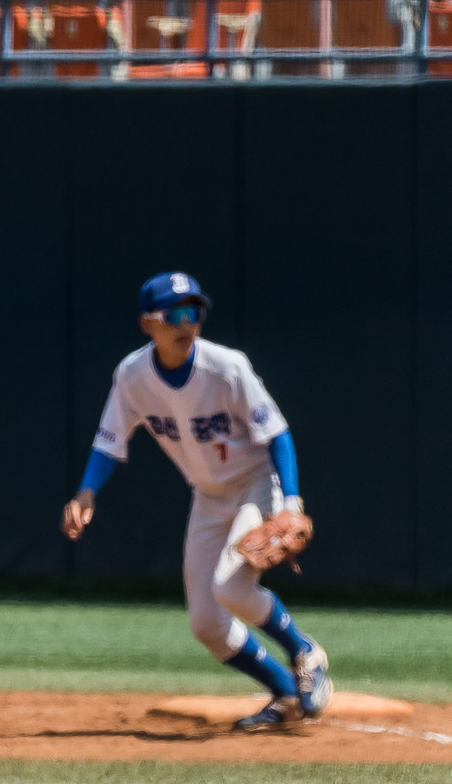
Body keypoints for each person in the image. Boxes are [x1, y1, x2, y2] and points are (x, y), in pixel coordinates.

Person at [62, 271, 332, 730]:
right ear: (149, 324)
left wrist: (290, 501)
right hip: (208, 496)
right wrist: (87, 490)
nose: (188, 323)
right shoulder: (131, 376)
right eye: (176, 315)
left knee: (231, 587)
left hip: (254, 483)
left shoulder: (226, 367)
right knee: (206, 624)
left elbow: (278, 433)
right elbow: (109, 440)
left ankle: (306, 651)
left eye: (195, 312)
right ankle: (286, 694)